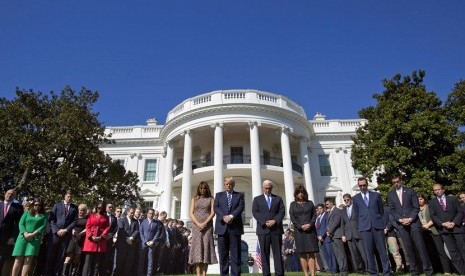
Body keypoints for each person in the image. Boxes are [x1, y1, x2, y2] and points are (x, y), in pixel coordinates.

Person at [387, 175, 433, 275]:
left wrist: (410, 219)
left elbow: (416, 207)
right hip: (402, 225)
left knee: (421, 247)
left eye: (397, 181)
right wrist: (400, 219)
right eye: (394, 182)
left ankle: (428, 270)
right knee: (408, 249)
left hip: (414, 224)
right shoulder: (390, 194)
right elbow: (392, 210)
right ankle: (414, 270)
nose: (396, 184)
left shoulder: (410, 191)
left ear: (401, 181)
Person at [352, 177, 391, 276]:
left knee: (382, 250)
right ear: (358, 186)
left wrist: (382, 224)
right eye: (360, 186)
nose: (363, 187)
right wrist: (360, 227)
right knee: (369, 252)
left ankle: (387, 272)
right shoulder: (355, 198)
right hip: (365, 228)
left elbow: (381, 211)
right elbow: (356, 215)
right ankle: (373, 273)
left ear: (367, 185)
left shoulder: (376, 195)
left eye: (364, 185)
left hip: (377, 226)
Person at [429, 183, 465, 274]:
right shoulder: (432, 202)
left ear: (443, 189)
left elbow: (460, 212)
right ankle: (462, 271)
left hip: (457, 228)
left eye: (438, 189)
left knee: (463, 249)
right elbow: (433, 216)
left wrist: (454, 222)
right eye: (435, 190)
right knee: (453, 252)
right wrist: (443, 224)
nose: (437, 191)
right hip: (444, 231)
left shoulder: (452, 199)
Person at [252, 180, 285, 276]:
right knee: (264, 254)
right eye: (266, 188)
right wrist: (264, 222)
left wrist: (274, 221)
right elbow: (255, 212)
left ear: (272, 188)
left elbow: (281, 212)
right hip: (263, 230)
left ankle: (279, 273)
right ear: (263, 188)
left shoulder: (278, 199)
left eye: (269, 188)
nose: (268, 190)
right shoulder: (257, 199)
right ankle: (266, 274)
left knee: (277, 254)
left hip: (276, 230)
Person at [214, 177, 245, 276]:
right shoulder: (218, 195)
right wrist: (224, 217)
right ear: (224, 184)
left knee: (236, 253)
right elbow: (216, 207)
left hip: (235, 228)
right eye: (227, 184)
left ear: (233, 185)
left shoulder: (239, 195)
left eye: (230, 184)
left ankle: (235, 274)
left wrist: (231, 216)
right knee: (223, 254)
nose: (228, 185)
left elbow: (241, 207)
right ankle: (224, 274)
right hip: (222, 227)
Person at [45, 190, 78, 276]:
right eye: (68, 196)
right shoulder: (57, 205)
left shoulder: (74, 208)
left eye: (71, 197)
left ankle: (56, 274)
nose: (69, 198)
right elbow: (51, 219)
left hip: (66, 235)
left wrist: (66, 230)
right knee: (50, 256)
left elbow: (75, 221)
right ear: (65, 196)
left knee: (61, 256)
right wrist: (56, 230)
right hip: (55, 235)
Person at [11, 198, 47, 276]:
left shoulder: (44, 215)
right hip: (22, 237)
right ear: (33, 205)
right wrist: (25, 233)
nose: (37, 206)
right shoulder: (27, 213)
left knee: (28, 259)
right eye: (35, 205)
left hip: (34, 239)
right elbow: (21, 223)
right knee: (18, 259)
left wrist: (32, 234)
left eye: (39, 205)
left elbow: (43, 226)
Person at [189, 181, 218, 276]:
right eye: (201, 188)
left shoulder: (211, 199)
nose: (203, 190)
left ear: (207, 189)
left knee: (206, 248)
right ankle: (198, 274)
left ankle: (204, 274)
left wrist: (205, 223)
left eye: (204, 188)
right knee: (197, 249)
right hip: (196, 227)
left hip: (207, 227)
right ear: (199, 189)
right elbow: (191, 213)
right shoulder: (194, 199)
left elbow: (213, 212)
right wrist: (198, 223)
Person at [289, 185, 318, 276]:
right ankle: (306, 274)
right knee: (302, 253)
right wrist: (300, 226)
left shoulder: (310, 203)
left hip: (310, 231)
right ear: (296, 194)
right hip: (299, 232)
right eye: (298, 193)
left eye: (302, 192)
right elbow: (292, 218)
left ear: (305, 193)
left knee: (311, 252)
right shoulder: (293, 204)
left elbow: (314, 215)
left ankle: (313, 274)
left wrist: (310, 224)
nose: (300, 194)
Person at [418, 194, 451, 274]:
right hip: (424, 233)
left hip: (434, 231)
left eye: (421, 199)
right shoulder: (416, 209)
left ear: (425, 199)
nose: (419, 201)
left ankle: (447, 270)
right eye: (418, 199)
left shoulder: (429, 207)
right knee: (430, 252)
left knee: (440, 251)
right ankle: (435, 270)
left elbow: (435, 217)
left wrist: (427, 225)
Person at [81, 202, 110, 276]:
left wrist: (101, 236)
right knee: (88, 263)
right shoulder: (91, 216)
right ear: (96, 208)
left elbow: (107, 228)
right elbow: (87, 227)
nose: (100, 209)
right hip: (90, 242)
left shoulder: (105, 218)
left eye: (101, 208)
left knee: (96, 264)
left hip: (100, 242)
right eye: (98, 208)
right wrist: (91, 236)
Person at [341, 193, 366, 273]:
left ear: (351, 199)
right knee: (354, 254)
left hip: (358, 233)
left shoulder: (356, 207)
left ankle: (369, 268)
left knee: (364, 253)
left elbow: (361, 219)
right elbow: (342, 223)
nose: (346, 201)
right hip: (349, 235)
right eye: (345, 200)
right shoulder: (343, 210)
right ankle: (359, 270)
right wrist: (343, 235)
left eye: (348, 199)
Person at [0, 189, 23, 275]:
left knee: (2, 258)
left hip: (7, 237)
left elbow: (17, 224)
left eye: (12, 194)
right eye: (8, 193)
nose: (9, 195)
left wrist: (13, 237)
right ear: (4, 194)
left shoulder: (18, 208)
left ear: (14, 196)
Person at [63, 203, 88, 276]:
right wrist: (73, 232)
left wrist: (80, 234)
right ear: (78, 210)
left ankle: (73, 274)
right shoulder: (74, 218)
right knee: (68, 258)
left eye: (83, 210)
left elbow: (87, 228)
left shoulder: (87, 219)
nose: (82, 212)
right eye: (80, 210)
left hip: (80, 239)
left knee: (77, 258)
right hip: (72, 239)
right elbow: (69, 226)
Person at [326, 198, 348, 275]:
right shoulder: (331, 212)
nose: (326, 206)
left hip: (337, 235)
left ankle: (344, 270)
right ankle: (341, 269)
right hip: (332, 236)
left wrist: (330, 231)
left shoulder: (337, 211)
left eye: (327, 204)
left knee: (341, 254)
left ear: (332, 203)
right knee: (337, 255)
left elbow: (336, 222)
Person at [138, 208, 163, 276]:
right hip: (144, 243)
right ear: (147, 213)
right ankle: (140, 273)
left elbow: (157, 233)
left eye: (152, 213)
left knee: (150, 260)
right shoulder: (143, 222)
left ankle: (149, 274)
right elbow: (141, 232)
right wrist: (145, 241)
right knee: (141, 259)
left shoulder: (156, 223)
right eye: (150, 213)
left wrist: (153, 241)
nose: (151, 215)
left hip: (152, 244)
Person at [115, 207, 139, 276]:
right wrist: (126, 239)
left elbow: (137, 230)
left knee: (129, 262)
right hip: (122, 244)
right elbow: (121, 231)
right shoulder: (121, 220)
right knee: (120, 261)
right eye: (131, 213)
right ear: (127, 212)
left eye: (133, 213)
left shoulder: (135, 221)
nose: (132, 214)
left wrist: (131, 237)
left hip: (131, 244)